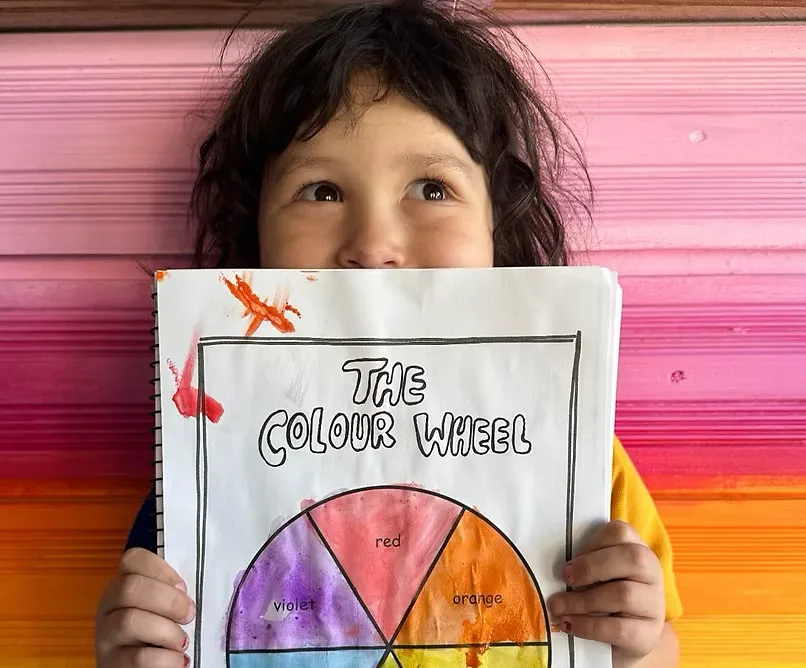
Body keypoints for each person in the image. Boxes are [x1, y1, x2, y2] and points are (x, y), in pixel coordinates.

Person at [95, 1, 682, 666]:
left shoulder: (576, 452)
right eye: (321, 192)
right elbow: (173, 637)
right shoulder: (208, 458)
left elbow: (655, 649)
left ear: (502, 221)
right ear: (252, 234)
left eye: (431, 189)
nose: (373, 246)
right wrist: (133, 650)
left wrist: (635, 646)